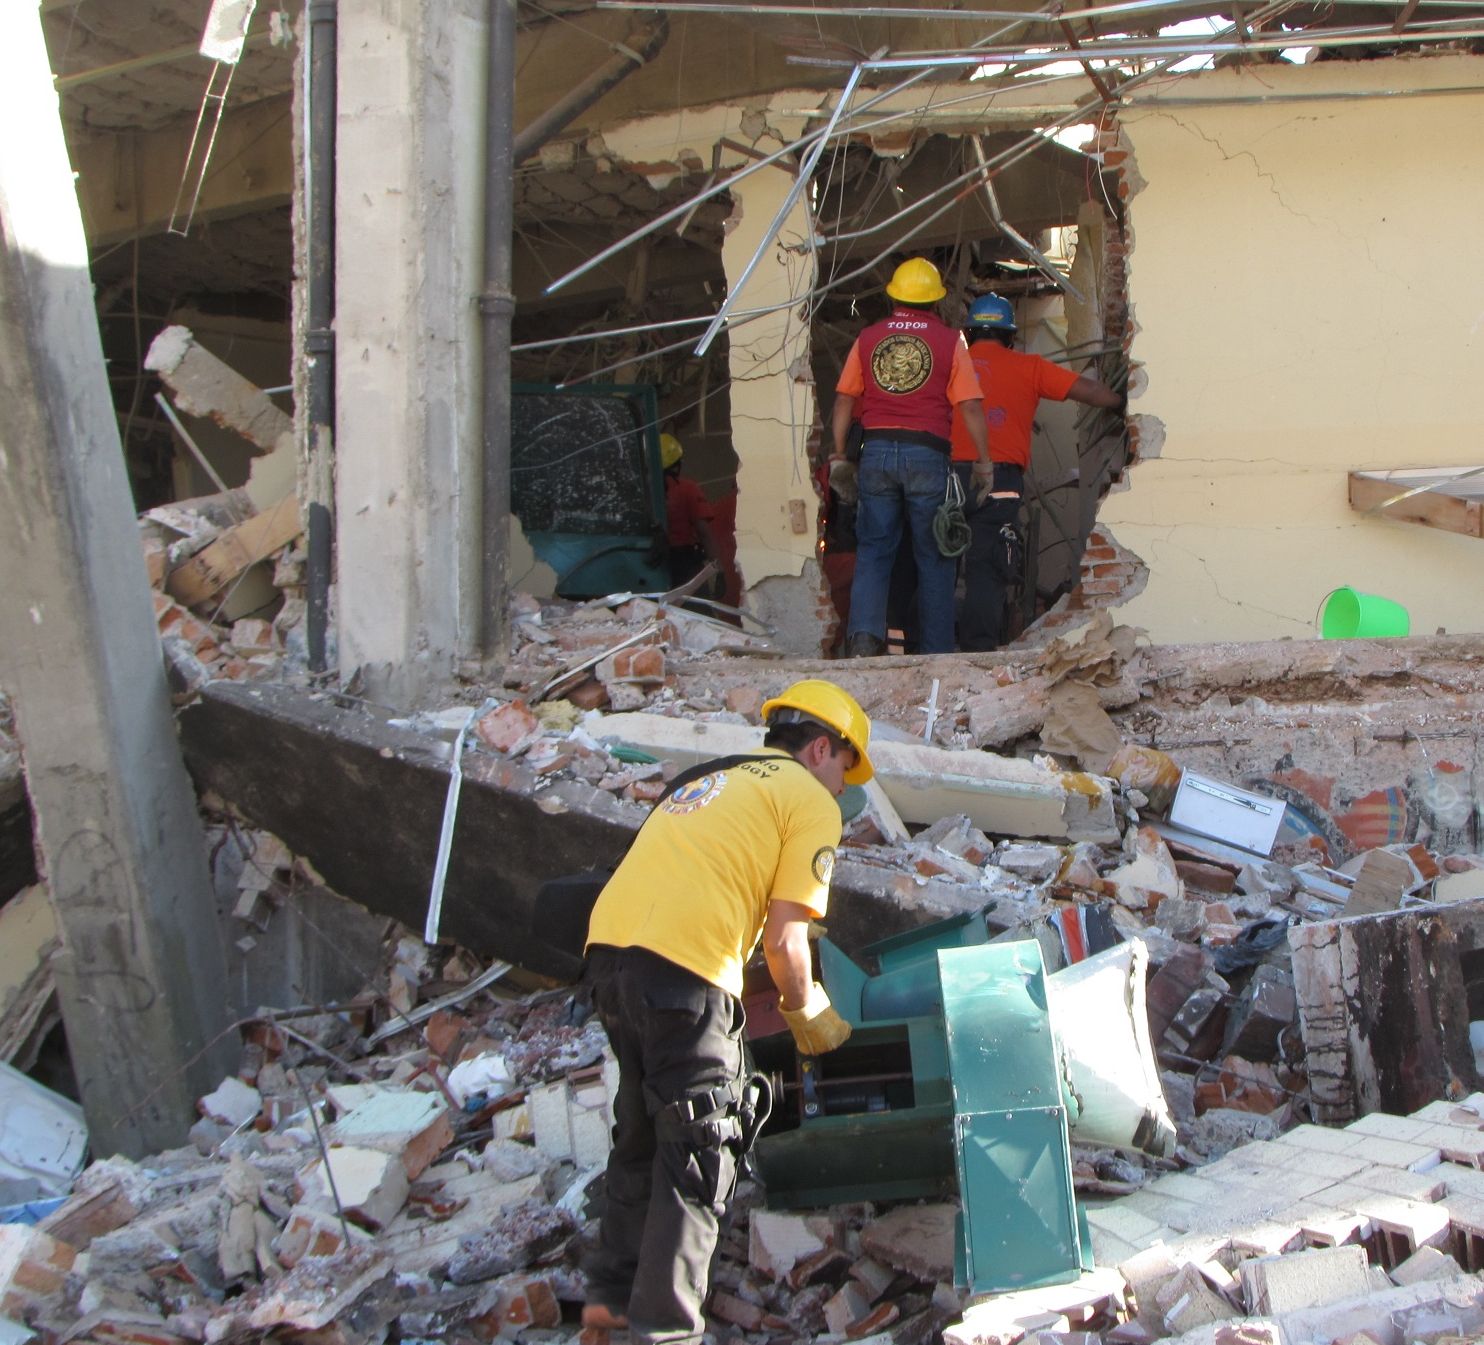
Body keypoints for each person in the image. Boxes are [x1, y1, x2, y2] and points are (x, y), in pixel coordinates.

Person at [580, 679, 872, 1345]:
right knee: (701, 1147)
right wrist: (809, 1014)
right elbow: (785, 939)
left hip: (609, 956)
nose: (841, 790)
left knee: (643, 1128)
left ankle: (609, 1304)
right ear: (820, 747)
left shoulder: (709, 779)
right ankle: (664, 1332)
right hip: (685, 967)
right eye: (842, 772)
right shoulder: (807, 799)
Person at [830, 258, 991, 657]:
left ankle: (865, 640)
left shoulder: (868, 338)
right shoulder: (951, 341)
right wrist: (984, 461)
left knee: (874, 549)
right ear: (936, 302)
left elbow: (844, 399)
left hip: (877, 452)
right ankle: (935, 651)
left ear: (894, 298)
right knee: (934, 554)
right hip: (927, 454)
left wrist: (838, 455)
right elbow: (969, 406)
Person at [949, 294, 1123, 652]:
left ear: (969, 332)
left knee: (936, 560)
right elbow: (1090, 392)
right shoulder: (1028, 366)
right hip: (1000, 481)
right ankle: (978, 650)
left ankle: (929, 645)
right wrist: (1124, 400)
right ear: (1009, 336)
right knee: (988, 566)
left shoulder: (951, 367)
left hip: (945, 478)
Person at [660, 432, 721, 592]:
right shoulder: (688, 489)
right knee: (695, 613)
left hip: (654, 563)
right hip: (685, 564)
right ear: (677, 463)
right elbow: (704, 532)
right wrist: (718, 569)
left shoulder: (645, 493)